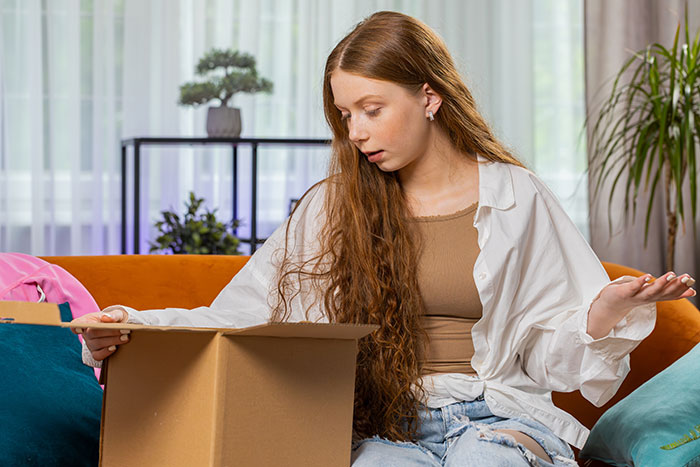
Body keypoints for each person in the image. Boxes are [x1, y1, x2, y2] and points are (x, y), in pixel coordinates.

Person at [74, 11, 696, 466]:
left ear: (429, 97)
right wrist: (131, 323)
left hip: (497, 417)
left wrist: (601, 315)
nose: (357, 133)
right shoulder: (331, 208)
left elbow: (548, 359)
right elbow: (239, 318)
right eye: (345, 115)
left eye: (372, 109)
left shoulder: (516, 196)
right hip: (381, 426)